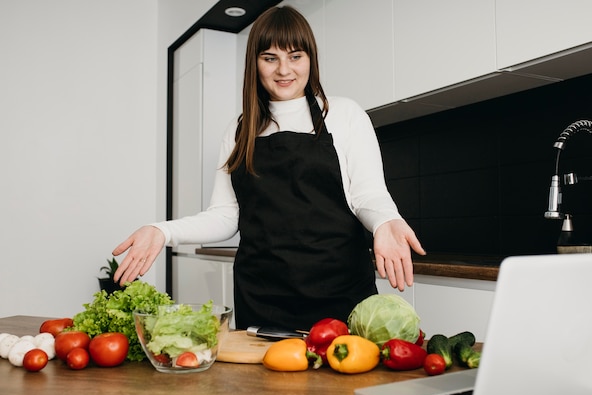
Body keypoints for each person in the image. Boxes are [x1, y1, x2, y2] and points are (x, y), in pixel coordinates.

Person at [112, 5, 426, 330]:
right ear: (255, 63)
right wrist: (162, 231)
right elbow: (225, 215)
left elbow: (367, 194)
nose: (283, 70)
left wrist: (386, 219)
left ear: (310, 59)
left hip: (339, 294)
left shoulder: (344, 115)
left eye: (295, 56)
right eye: (270, 57)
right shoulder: (240, 130)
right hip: (262, 300)